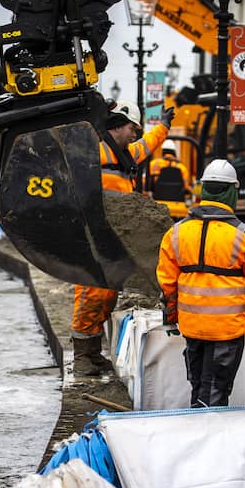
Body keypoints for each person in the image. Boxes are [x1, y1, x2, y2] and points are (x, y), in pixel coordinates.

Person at [156, 158, 245, 407]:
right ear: (233, 191)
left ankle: (199, 429)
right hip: (226, 330)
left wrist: (170, 318)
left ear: (202, 190)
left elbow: (167, 285)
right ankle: (208, 433)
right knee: (216, 389)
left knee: (198, 383)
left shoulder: (176, 232)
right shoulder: (243, 235)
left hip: (192, 327)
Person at [72, 100, 173, 376]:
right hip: (94, 231)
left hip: (115, 233)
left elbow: (149, 143)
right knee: (91, 291)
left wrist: (163, 126)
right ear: (117, 123)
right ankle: (81, 354)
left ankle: (92, 352)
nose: (136, 134)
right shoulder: (95, 148)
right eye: (132, 128)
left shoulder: (127, 152)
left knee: (108, 293)